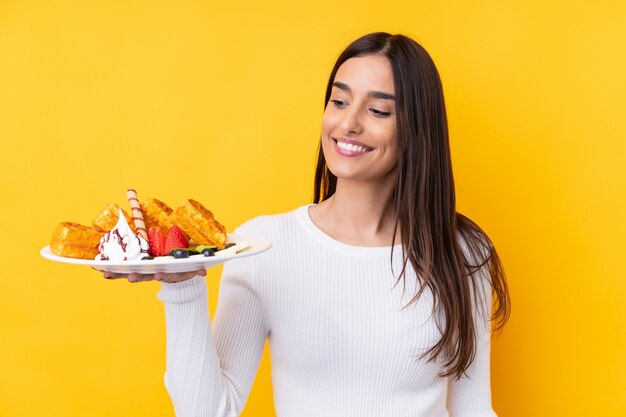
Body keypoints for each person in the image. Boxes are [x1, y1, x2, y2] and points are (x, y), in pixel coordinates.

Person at [104, 32, 510, 417]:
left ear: (417, 129)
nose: (348, 123)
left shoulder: (462, 250)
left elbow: (473, 409)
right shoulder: (263, 245)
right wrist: (182, 285)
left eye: (378, 110)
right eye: (338, 101)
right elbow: (208, 411)